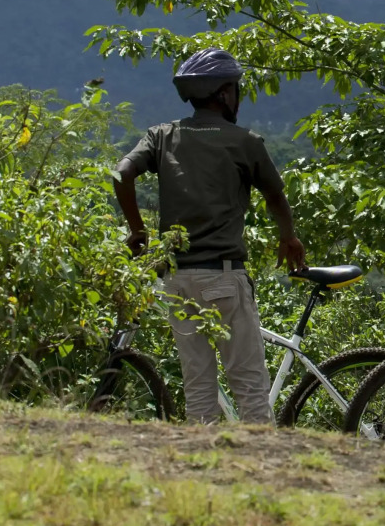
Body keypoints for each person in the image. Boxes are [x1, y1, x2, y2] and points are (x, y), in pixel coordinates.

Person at [111, 48, 306, 424]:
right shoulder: (245, 141)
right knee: (248, 380)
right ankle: (261, 463)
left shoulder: (162, 135)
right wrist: (288, 237)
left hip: (177, 279)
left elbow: (122, 172)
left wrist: (138, 229)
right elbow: (276, 198)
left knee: (198, 381)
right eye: (235, 89)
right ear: (223, 93)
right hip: (224, 276)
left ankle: (203, 464)